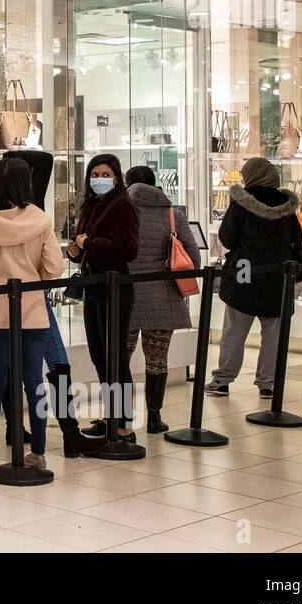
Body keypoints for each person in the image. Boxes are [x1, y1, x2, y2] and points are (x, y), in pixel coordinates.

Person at [0, 158, 63, 470]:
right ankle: (39, 452)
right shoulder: (40, 220)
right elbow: (54, 268)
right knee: (34, 383)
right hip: (32, 310)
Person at [2, 150, 107, 457]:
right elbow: (44, 159)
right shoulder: (35, 216)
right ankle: (70, 433)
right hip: (34, 298)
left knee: (9, 366)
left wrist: (8, 163)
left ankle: (13, 428)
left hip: (1, 302)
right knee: (57, 362)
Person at [207, 157, 302, 398]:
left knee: (234, 330)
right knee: (273, 332)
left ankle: (222, 379)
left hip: (244, 273)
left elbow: (226, 238)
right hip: (278, 275)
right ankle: (268, 383)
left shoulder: (241, 202)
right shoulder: (285, 204)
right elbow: (297, 238)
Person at [66, 153, 140, 443]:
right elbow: (87, 248)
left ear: (117, 177)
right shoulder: (92, 206)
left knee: (115, 356)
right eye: (95, 174)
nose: (99, 179)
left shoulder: (122, 206)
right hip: (94, 287)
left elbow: (128, 248)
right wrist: (77, 251)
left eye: (105, 174)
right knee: (100, 356)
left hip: (115, 288)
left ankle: (123, 425)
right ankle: (111, 418)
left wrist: (90, 244)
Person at [124, 166, 201, 433]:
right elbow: (194, 258)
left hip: (126, 297)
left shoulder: (122, 212)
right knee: (157, 359)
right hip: (162, 299)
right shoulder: (173, 215)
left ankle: (121, 418)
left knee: (120, 358)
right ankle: (154, 417)